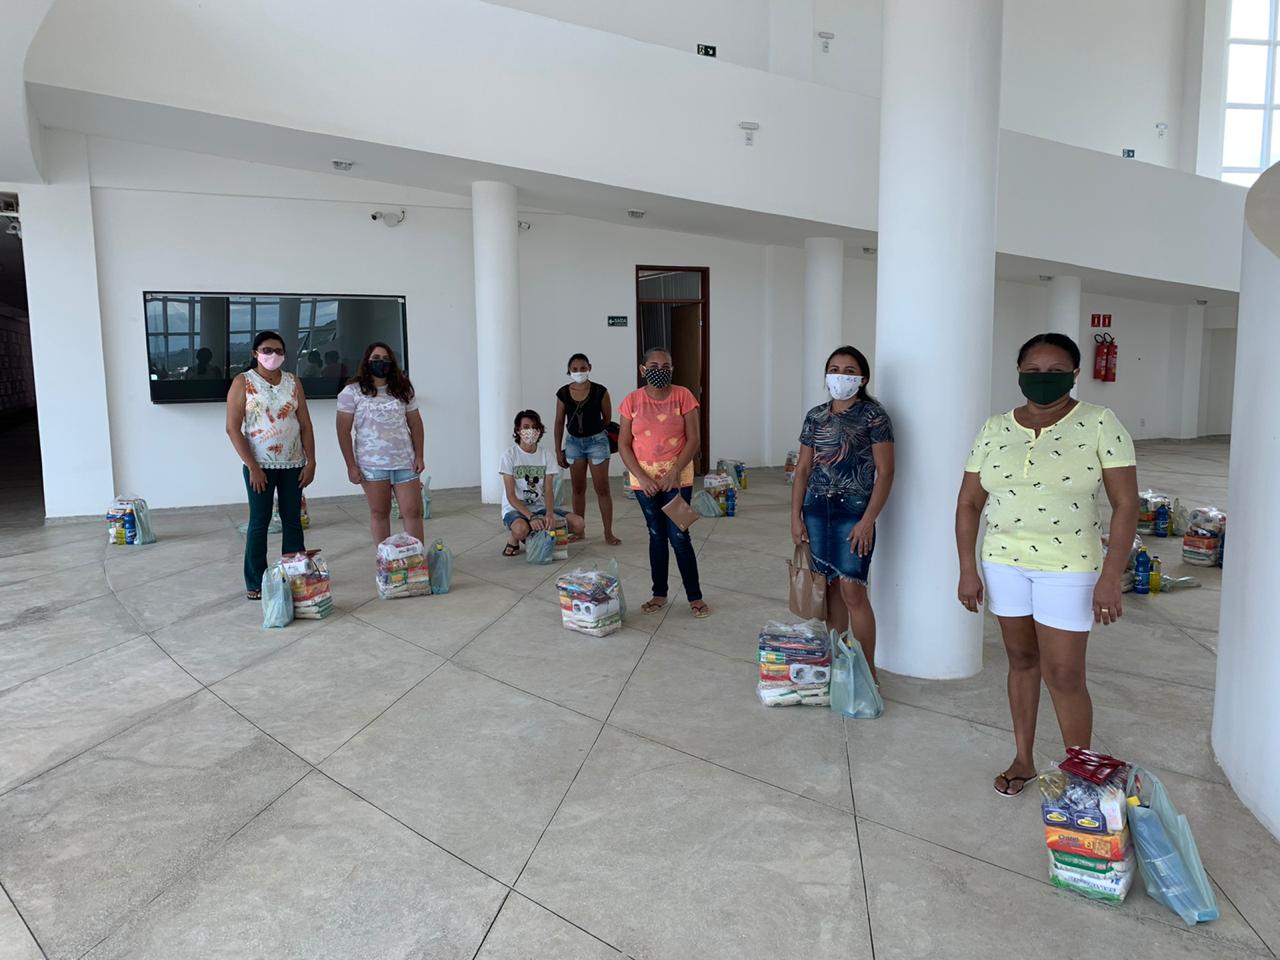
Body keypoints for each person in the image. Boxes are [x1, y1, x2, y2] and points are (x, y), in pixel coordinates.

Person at [955, 333, 1138, 797]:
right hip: (1003, 562)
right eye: (1033, 371)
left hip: (1069, 566)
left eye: (1055, 371)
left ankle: (1081, 776)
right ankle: (1023, 758)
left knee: (1064, 674)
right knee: (1021, 661)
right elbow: (969, 503)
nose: (1043, 379)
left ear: (1074, 374)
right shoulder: (994, 428)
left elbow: (1126, 505)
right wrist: (967, 568)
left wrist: (1111, 576)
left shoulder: (1100, 423)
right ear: (1018, 372)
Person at [790, 345, 895, 679]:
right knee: (830, 588)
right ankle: (839, 664)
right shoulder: (815, 416)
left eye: (849, 371)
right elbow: (802, 469)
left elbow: (885, 472)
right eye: (834, 369)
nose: (840, 376)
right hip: (816, 510)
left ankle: (866, 673)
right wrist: (795, 516)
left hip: (853, 512)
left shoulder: (873, 416)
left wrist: (867, 521)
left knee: (853, 590)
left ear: (862, 378)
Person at [618, 347, 710, 618]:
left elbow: (694, 439)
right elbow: (624, 444)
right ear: (642, 370)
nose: (660, 371)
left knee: (679, 536)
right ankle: (659, 594)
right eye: (654, 366)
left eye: (666, 366)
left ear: (672, 369)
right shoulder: (631, 401)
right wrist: (643, 477)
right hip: (643, 481)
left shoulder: (684, 396)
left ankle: (695, 597)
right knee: (656, 535)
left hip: (677, 480)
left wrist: (674, 472)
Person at [225, 330, 316, 599]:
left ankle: (295, 575)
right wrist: (253, 467)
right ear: (255, 353)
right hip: (260, 466)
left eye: (278, 351)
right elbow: (232, 428)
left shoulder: (293, 382)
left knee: (292, 520)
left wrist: (311, 461)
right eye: (267, 350)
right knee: (259, 521)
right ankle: (256, 582)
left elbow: (305, 424)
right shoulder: (243, 382)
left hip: (293, 464)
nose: (273, 355)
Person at [336, 343, 425, 545]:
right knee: (379, 512)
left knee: (412, 511)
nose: (381, 363)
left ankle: (416, 558)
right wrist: (351, 466)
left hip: (405, 462)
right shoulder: (352, 392)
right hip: (372, 465)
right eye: (375, 358)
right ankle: (385, 558)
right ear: (366, 362)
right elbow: (343, 430)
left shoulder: (403, 389)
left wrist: (419, 455)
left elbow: (416, 423)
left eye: (385, 359)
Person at [554, 353, 620, 545]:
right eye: (574, 369)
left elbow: (607, 418)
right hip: (573, 444)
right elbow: (559, 422)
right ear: (569, 370)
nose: (579, 372)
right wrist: (558, 450)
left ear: (589, 367)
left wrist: (594, 432)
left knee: (603, 489)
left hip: (597, 442)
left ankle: (608, 533)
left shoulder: (600, 391)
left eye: (583, 368)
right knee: (578, 489)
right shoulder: (563, 393)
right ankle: (579, 530)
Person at [501, 410, 585, 555]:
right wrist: (531, 517)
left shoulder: (546, 455)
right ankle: (515, 538)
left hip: (540, 508)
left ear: (540, 430)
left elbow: (548, 490)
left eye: (535, 427)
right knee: (520, 530)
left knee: (578, 524)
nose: (531, 431)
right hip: (515, 509)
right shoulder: (509, 456)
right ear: (518, 430)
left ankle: (532, 533)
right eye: (526, 427)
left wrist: (550, 514)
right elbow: (510, 496)